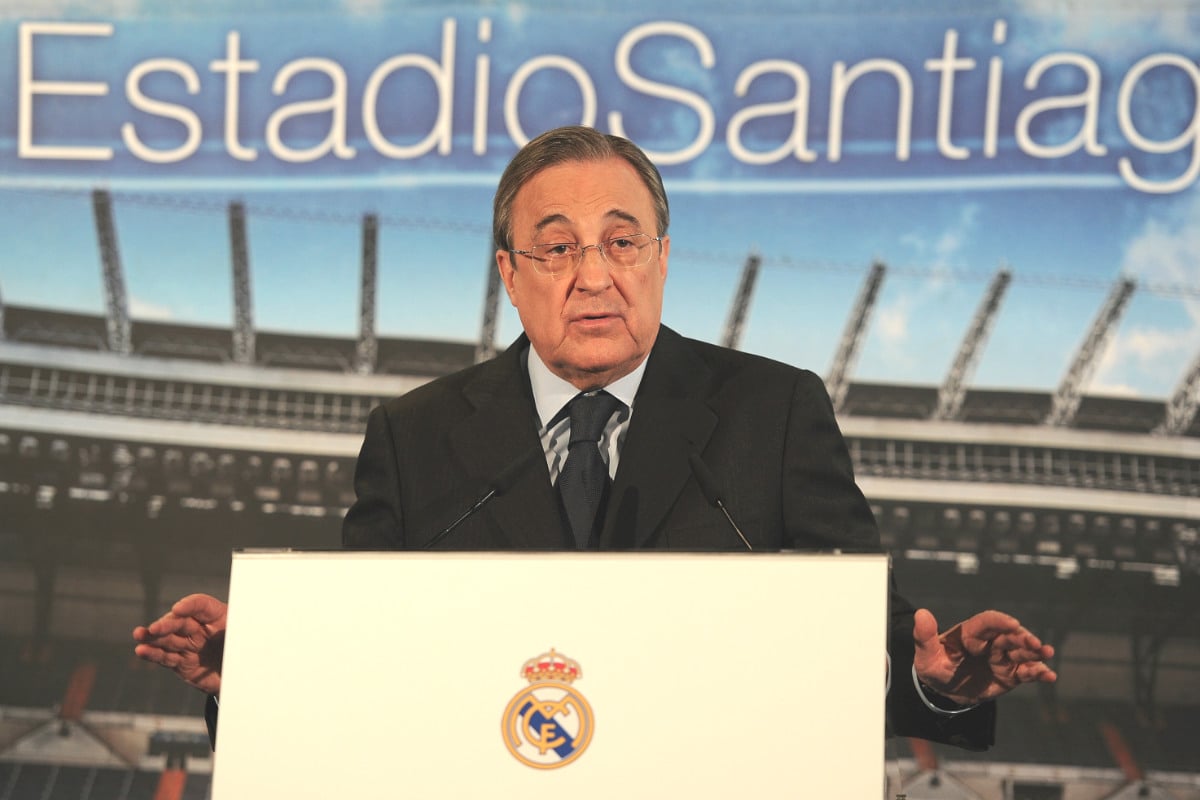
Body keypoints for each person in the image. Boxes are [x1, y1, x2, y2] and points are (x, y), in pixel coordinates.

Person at [134, 125, 1056, 749]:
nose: (593, 276)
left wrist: (937, 680)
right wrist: (255, 676)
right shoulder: (414, 436)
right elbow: (371, 657)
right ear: (510, 272)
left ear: (660, 257)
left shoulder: (772, 412)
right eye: (557, 246)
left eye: (622, 243)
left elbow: (855, 644)